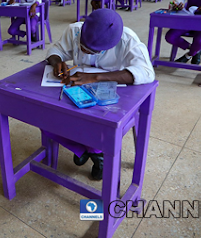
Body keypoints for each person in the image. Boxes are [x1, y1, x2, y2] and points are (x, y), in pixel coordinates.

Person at [45, 9, 155, 180]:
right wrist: (57, 61)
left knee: (98, 123)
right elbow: (56, 49)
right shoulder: (74, 30)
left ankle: (97, 153)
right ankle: (85, 149)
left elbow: (146, 72)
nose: (84, 51)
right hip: (77, 91)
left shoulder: (127, 39)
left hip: (108, 96)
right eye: (82, 46)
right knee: (47, 118)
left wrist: (96, 77)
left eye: (91, 51)